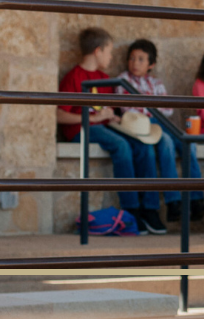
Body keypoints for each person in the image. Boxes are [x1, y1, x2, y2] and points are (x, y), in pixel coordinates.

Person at [57, 28, 166, 235]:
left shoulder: (104, 78)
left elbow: (108, 112)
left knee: (142, 145)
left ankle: (150, 208)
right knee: (121, 145)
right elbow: (59, 115)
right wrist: (93, 118)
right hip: (81, 130)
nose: (111, 57)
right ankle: (131, 209)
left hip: (105, 128)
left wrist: (112, 117)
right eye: (109, 52)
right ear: (97, 51)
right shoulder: (74, 77)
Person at [118, 39, 204, 223]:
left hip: (160, 121)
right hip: (141, 125)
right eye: (132, 58)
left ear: (151, 64)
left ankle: (196, 199)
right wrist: (152, 106)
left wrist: (146, 106)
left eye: (141, 59)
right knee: (166, 142)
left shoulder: (155, 83)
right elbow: (127, 108)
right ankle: (173, 202)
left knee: (187, 143)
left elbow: (168, 109)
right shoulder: (123, 80)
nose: (135, 63)